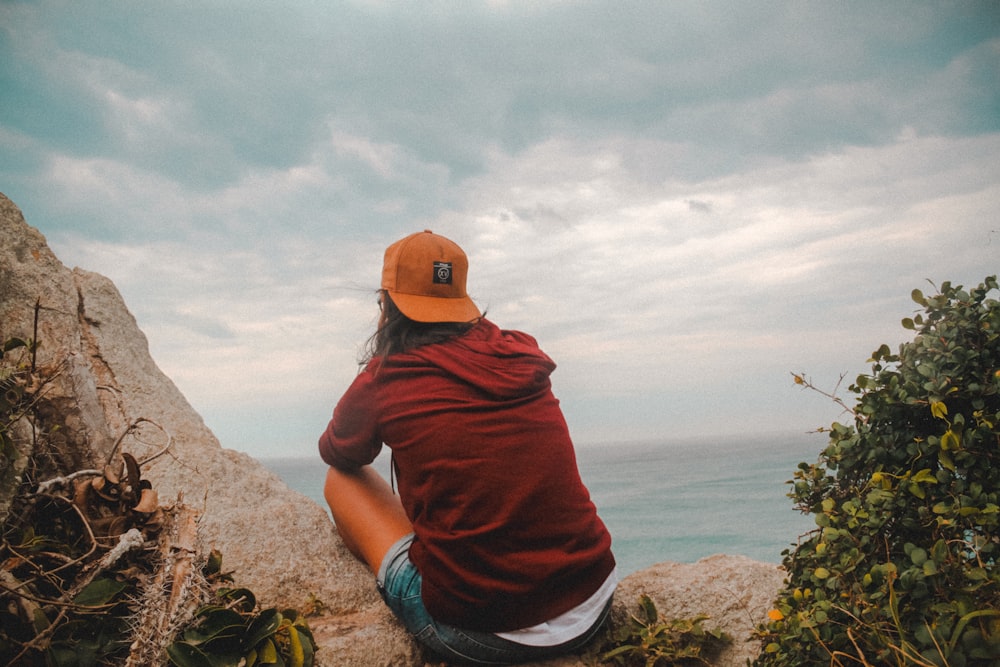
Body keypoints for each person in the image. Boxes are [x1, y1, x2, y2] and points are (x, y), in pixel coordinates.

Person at [319, 230, 617, 665]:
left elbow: (339, 452)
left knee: (340, 480)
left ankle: (385, 585)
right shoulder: (518, 352)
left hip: (481, 633)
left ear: (387, 302)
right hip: (592, 602)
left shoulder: (387, 378)